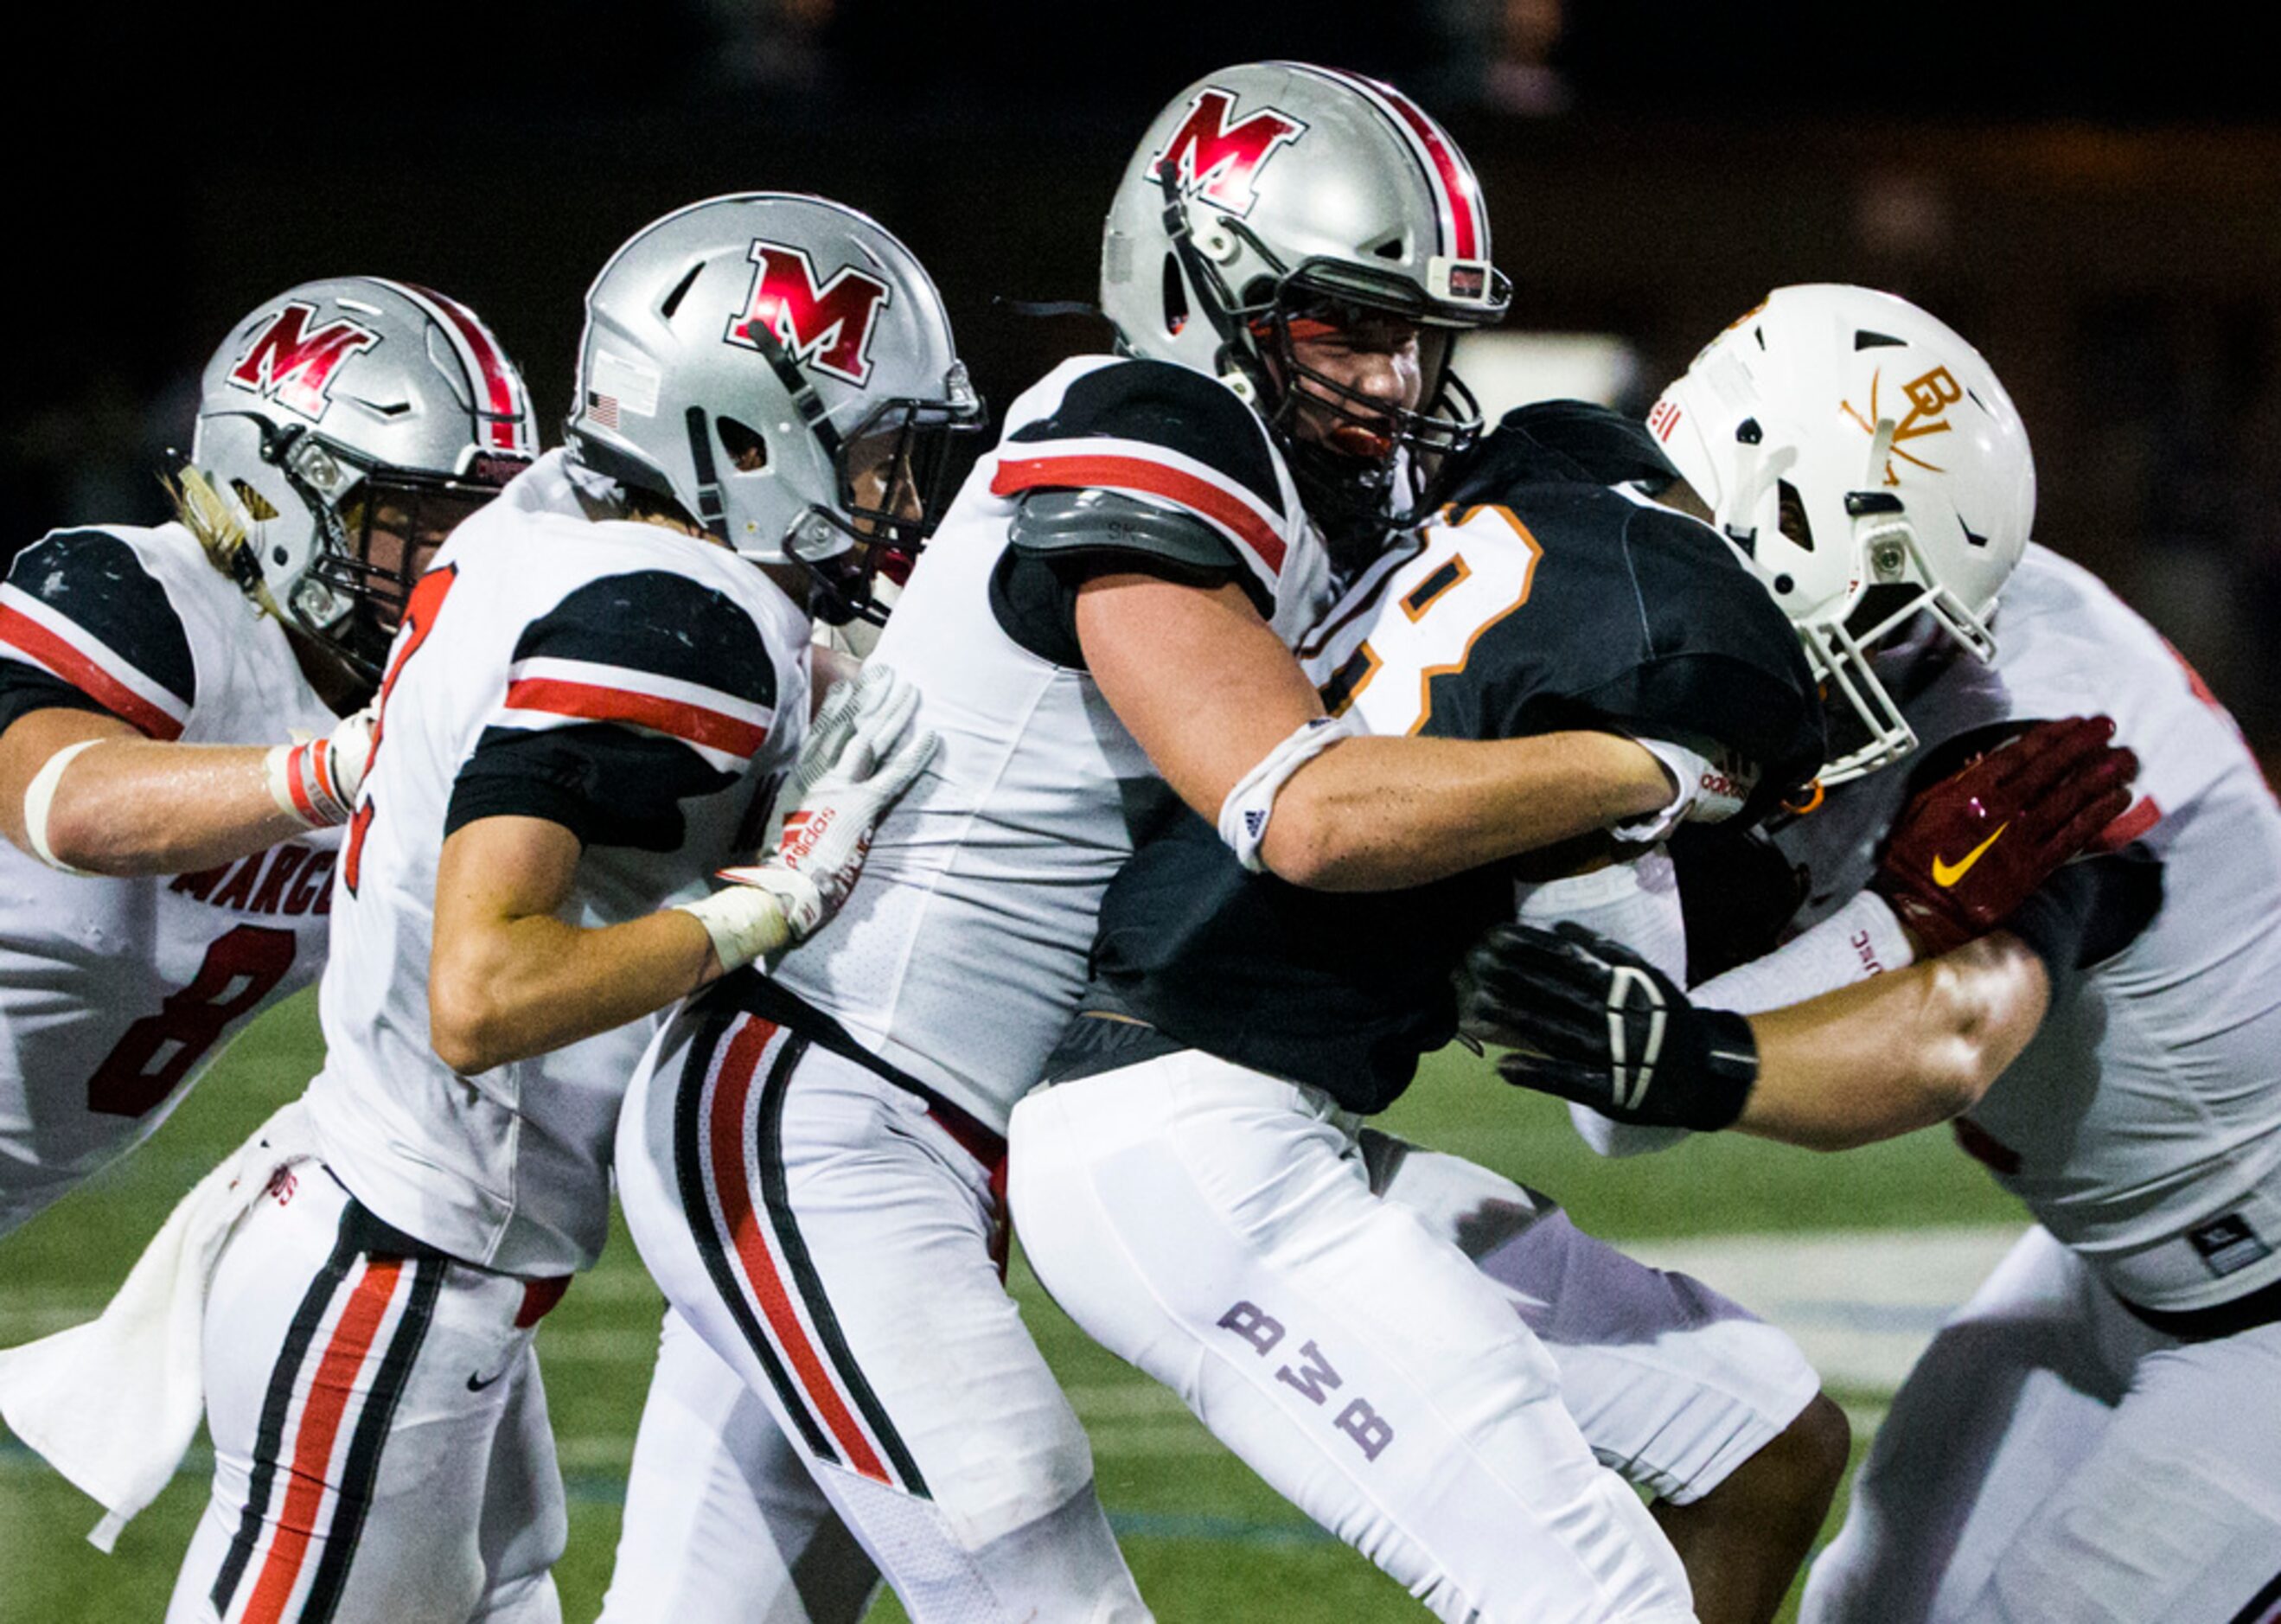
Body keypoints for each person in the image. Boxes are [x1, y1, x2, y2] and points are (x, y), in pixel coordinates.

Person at [613, 61, 1728, 1624]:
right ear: (1207, 289)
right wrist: (1642, 765)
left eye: (1415, 334)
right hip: (827, 1106)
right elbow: (1303, 810)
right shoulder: (1148, 418)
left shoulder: (1303, 488)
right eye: (1349, 324)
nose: (1397, 381)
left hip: (920, 1123)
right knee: (1042, 1582)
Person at [1008, 389, 2124, 1624]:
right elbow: (1614, 1075)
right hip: (1188, 1152)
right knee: (1596, 1603)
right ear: (1792, 512)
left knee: (1761, 1437)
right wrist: (1898, 918)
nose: (1868, 645)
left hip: (1238, 1116)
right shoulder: (1683, 641)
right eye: (1879, 594)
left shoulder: (1554, 511)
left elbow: (1607, 1027)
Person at [134, 193, 963, 1622]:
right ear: (744, 433)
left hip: (422, 1262)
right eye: (875, 448)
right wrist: (770, 900)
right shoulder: (672, 617)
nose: (894, 494)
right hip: (395, 1280)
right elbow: (485, 991)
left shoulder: (548, 530)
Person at [1468, 285, 2280, 1624]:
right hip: (2116, 1270)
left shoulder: (2043, 732)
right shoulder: (1846, 628)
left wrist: (1688, 1054)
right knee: (1869, 1601)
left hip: (2259, 1320)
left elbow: (1954, 1029)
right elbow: (1613, 1101)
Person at [0, 278, 534, 1237]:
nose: (466, 560)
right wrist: (342, 768)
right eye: (422, 518)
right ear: (275, 495)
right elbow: (65, 804)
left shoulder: (427, 689)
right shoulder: (138, 594)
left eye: (489, 518)